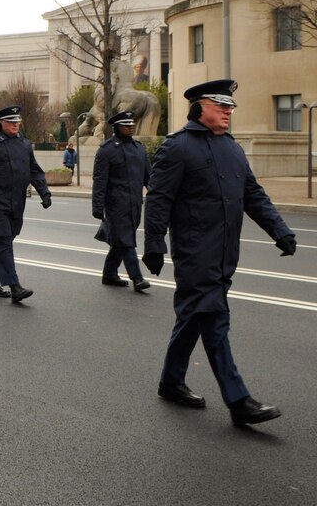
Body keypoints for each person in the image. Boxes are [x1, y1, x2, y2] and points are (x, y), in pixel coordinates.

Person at [142, 79, 295, 426]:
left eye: (230, 107)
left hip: (226, 251)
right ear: (198, 107)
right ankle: (239, 399)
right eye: (220, 105)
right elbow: (159, 199)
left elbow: (254, 195)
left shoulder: (232, 148)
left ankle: (171, 381)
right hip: (195, 253)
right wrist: (154, 244)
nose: (228, 111)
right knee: (213, 319)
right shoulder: (177, 147)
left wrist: (280, 231)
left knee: (194, 316)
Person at [0, 106, 51, 303]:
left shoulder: (24, 144)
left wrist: (44, 192)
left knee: (4, 244)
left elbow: (34, 171)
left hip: (16, 203)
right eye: (11, 122)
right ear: (1, 123)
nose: (15, 125)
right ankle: (14, 287)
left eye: (17, 122)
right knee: (4, 243)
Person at [91, 111, 151, 292]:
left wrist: (160, 197)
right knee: (126, 240)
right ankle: (137, 278)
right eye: (126, 124)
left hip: (135, 204)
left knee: (120, 241)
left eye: (132, 124)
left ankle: (109, 274)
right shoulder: (107, 150)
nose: (131, 127)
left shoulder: (139, 149)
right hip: (116, 205)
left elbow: (150, 178)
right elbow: (100, 180)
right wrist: (97, 206)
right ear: (116, 127)